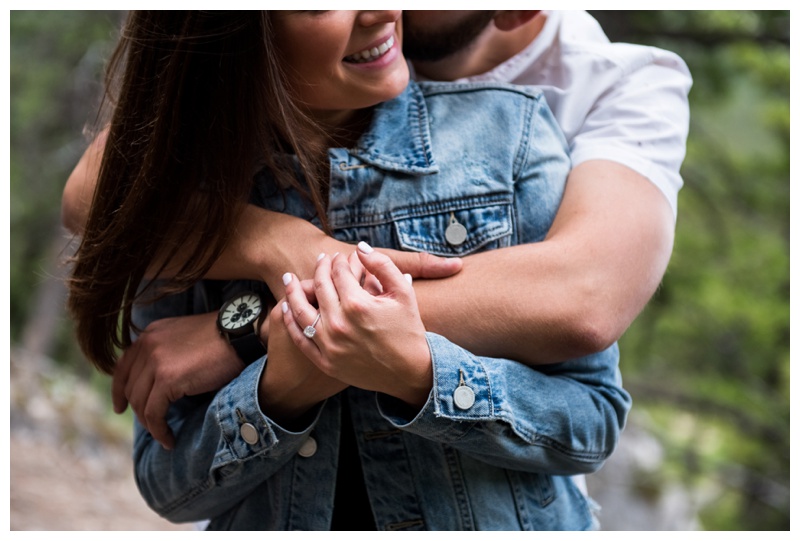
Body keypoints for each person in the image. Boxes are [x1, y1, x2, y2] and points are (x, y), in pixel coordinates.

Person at [65, 11, 631, 530]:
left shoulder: (509, 132)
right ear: (233, 31)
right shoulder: (181, 194)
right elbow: (167, 486)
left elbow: (594, 420)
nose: (380, 11)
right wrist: (279, 391)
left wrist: (417, 372)